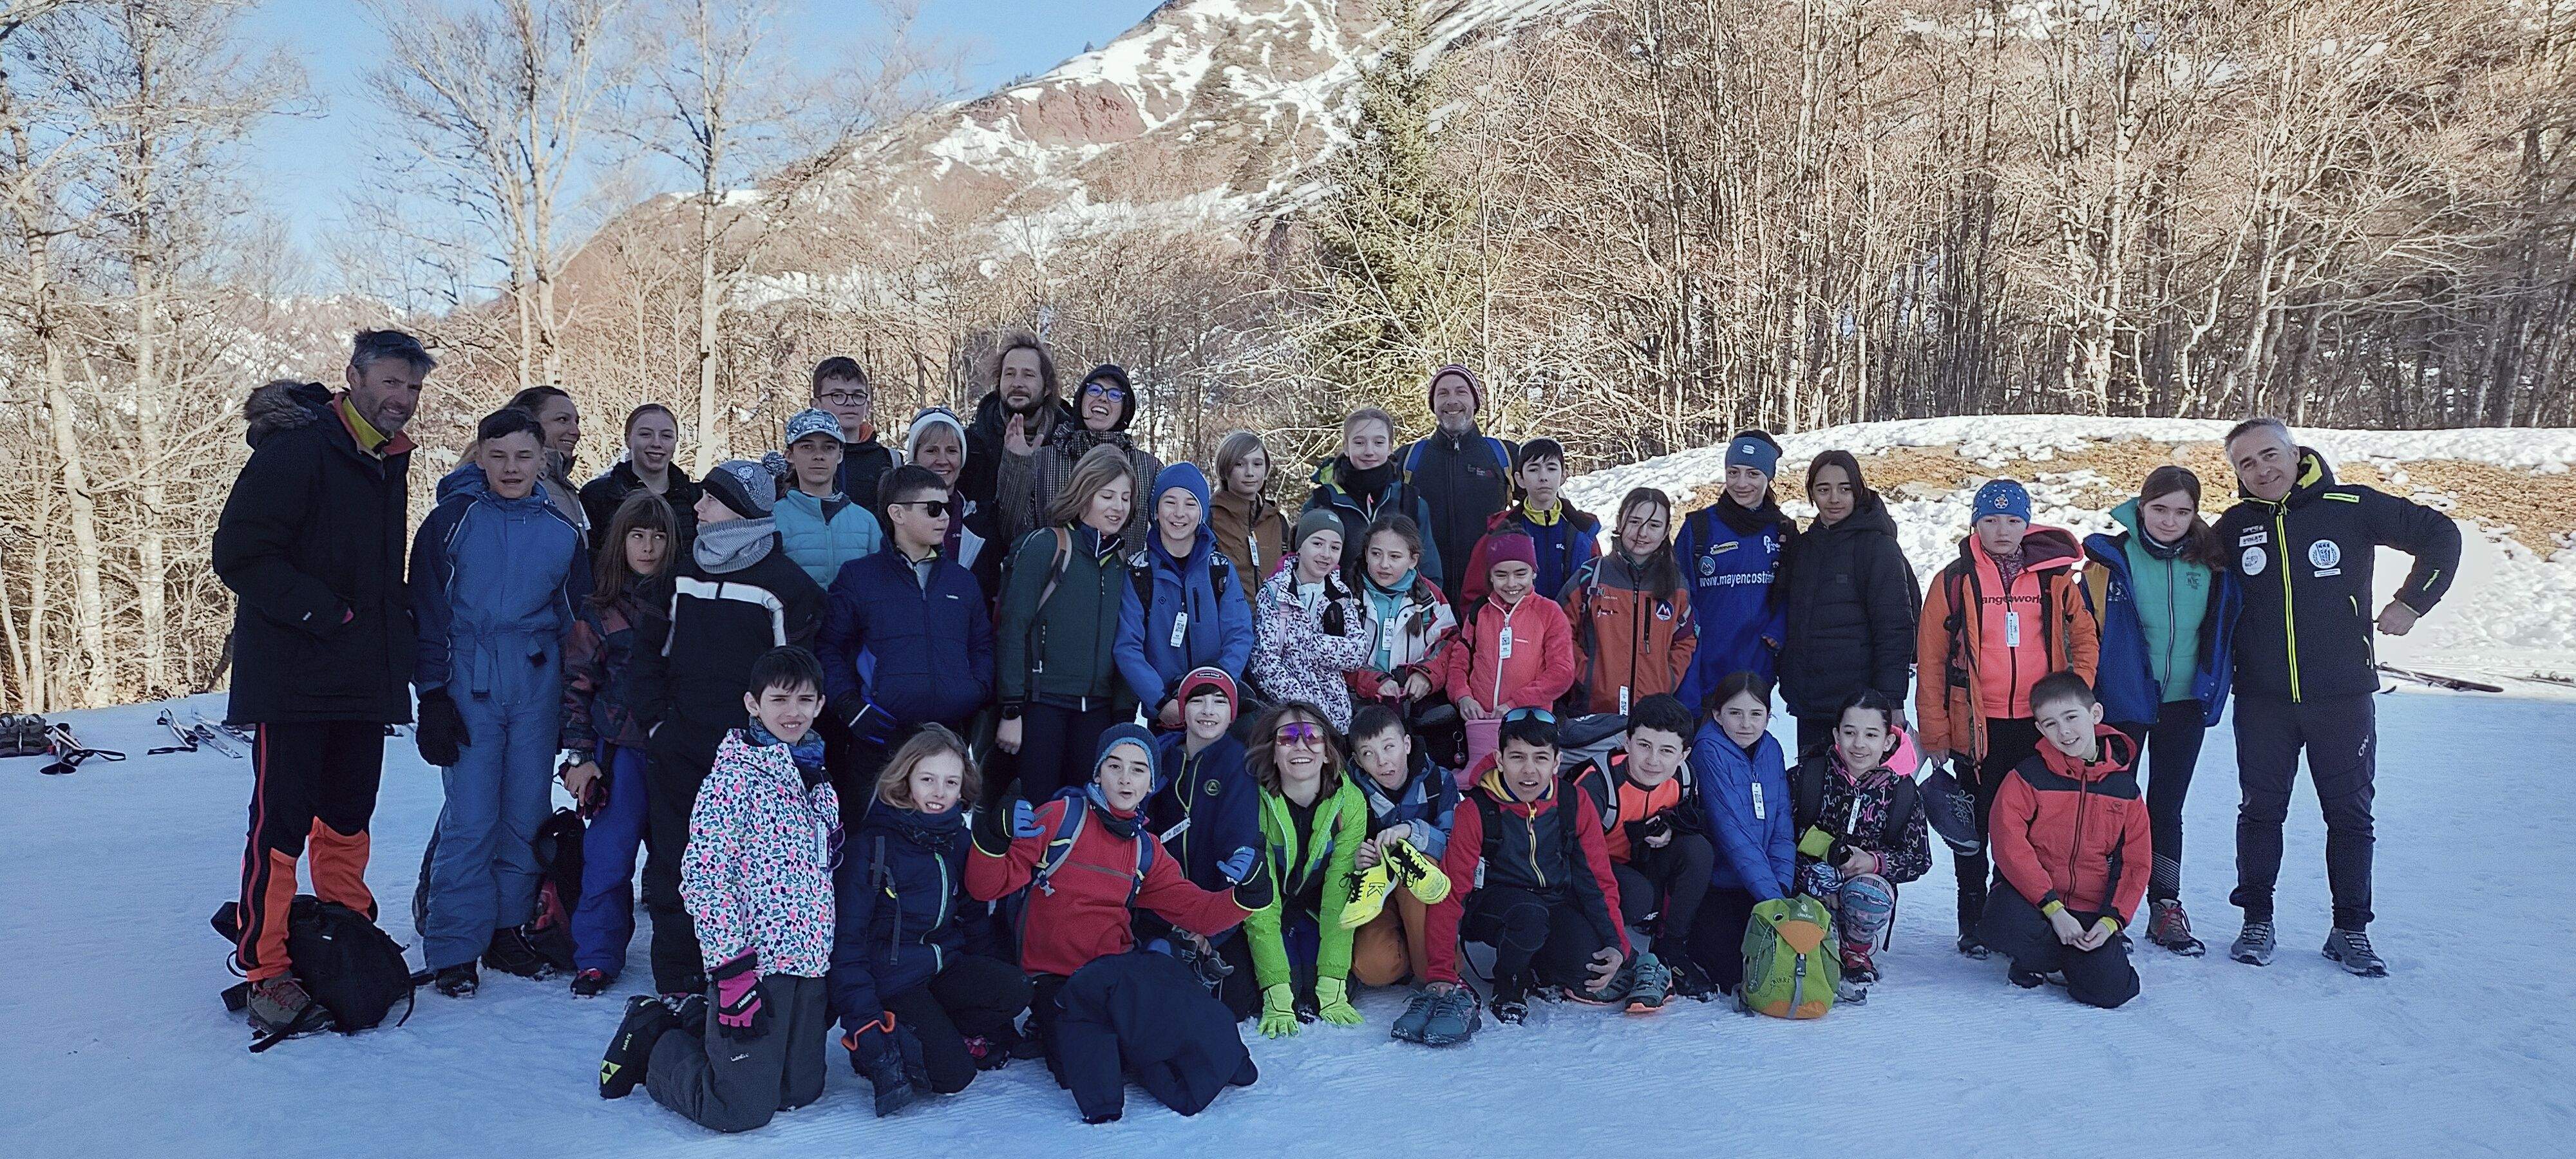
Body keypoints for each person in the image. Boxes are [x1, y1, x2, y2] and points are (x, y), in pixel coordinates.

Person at [213, 330, 430, 1035]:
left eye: (413, 389)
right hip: (297, 676)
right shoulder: (301, 450)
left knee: (348, 817)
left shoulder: (386, 459)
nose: (402, 399)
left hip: (362, 677)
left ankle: (345, 931)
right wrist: (324, 611)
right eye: (392, 383)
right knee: (280, 826)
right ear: (355, 378)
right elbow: (239, 553)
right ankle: (265, 968)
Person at [2214, 417, 2459, 975]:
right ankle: (2256, 921)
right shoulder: (2234, 527)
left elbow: (2441, 535)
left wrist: (2412, 603)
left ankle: (2349, 930)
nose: (2261, 470)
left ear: (2294, 452)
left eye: (2269, 455)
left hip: (2343, 696)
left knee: (2349, 815)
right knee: (2260, 811)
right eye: (2246, 464)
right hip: (2263, 700)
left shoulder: (2350, 504)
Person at [964, 724, 1275, 1120]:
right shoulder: (1059, 819)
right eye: (1115, 766)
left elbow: (1199, 912)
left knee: (1148, 1042)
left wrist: (1249, 894)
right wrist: (994, 837)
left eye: (1139, 769)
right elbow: (985, 887)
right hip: (1053, 976)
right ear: (1097, 773)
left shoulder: (1146, 849)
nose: (1126, 779)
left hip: (1115, 975)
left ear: (1151, 784)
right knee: (1075, 1065)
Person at [600, 648, 841, 1133]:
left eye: (804, 700)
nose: (792, 712)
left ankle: (697, 1019)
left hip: (808, 962)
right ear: (753, 704)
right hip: (755, 962)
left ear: (819, 705)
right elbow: (705, 877)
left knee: (799, 1093)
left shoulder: (818, 778)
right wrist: (732, 970)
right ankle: (656, 1041)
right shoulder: (734, 779)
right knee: (738, 1109)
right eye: (779, 699)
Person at [629, 458, 827, 998]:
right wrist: (655, 726)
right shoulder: (681, 572)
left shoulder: (785, 584)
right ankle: (678, 981)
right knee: (678, 864)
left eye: (710, 500)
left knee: (747, 871)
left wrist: (780, 747)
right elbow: (647, 653)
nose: (697, 508)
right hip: (681, 745)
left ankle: (744, 976)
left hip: (752, 761)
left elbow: (799, 676)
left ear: (738, 509)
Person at [410, 407, 591, 996]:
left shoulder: (563, 531)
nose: (511, 468)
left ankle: (507, 929)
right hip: (471, 677)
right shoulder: (450, 523)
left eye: (523, 456)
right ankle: (456, 946)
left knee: (525, 814)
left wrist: (577, 706)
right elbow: (428, 615)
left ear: (544, 461)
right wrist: (433, 695)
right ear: (480, 457)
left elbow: (578, 625)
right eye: (499, 455)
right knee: (471, 818)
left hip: (536, 679)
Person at [1917, 478, 2100, 958]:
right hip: (1978, 724)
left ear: (2027, 523)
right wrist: (1935, 728)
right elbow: (1932, 659)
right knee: (1973, 823)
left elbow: (2084, 638)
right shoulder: (1954, 581)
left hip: (2041, 725)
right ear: (1976, 523)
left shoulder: (2054, 578)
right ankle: (1971, 915)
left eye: (2014, 520)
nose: (2003, 530)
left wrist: (2072, 697)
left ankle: (2010, 911)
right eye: (1992, 520)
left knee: (2027, 825)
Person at [829, 726, 1032, 1116]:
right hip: (894, 982)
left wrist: (995, 1009)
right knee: (954, 1077)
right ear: (906, 780)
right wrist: (863, 1023)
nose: (939, 792)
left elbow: (974, 922)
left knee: (1016, 989)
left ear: (963, 789)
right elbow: (848, 943)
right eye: (928, 779)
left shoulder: (958, 840)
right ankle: (888, 1042)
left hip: (942, 969)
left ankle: (942, 1030)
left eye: (950, 782)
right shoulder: (872, 847)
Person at [2081, 466, 2239, 957]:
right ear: (2141, 507)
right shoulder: (2112, 560)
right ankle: (2104, 904)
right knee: (2114, 806)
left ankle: (2165, 905)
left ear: (2195, 514)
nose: (2170, 521)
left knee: (2166, 808)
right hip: (2124, 701)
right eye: (2160, 509)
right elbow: (2085, 630)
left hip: (2185, 703)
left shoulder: (2209, 562)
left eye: (2183, 511)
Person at [1398, 713, 1628, 1041]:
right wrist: (1441, 971)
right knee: (1529, 917)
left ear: (1557, 762)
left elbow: (1598, 878)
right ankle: (1511, 981)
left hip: (1554, 900)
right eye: (1518, 757)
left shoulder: (1574, 802)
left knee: (1587, 968)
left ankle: (1538, 964)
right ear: (1500, 759)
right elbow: (1451, 891)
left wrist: (1615, 942)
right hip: (1495, 905)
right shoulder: (1477, 808)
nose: (1529, 770)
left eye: (1541, 758)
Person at [819, 464, 995, 829]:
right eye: (932, 508)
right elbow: (830, 649)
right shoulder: (859, 577)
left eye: (946, 507)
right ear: (896, 513)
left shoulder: (962, 581)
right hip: (881, 740)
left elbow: (982, 646)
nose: (945, 517)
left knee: (940, 843)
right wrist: (851, 707)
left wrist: (973, 693)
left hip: (948, 737)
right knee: (869, 845)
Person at [560, 491, 676, 997]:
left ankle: (686, 958)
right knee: (608, 860)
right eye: (637, 536)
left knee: (681, 862)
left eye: (658, 536)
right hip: (617, 754)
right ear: (619, 542)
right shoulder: (600, 612)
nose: (647, 547)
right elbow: (576, 688)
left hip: (673, 755)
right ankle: (597, 956)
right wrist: (581, 757)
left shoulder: (687, 601)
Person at [1978, 672, 2149, 1009]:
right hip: (2036, 903)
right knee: (2000, 922)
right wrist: (2053, 909)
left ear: (2095, 714)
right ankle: (2045, 958)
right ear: (2040, 730)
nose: (2065, 732)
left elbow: (2136, 862)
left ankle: (2071, 957)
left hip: (2090, 909)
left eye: (2072, 718)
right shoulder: (2028, 777)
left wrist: (2112, 920)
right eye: (2051, 724)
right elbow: (2009, 845)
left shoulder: (2124, 790)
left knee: (2113, 991)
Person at [994, 444, 1139, 806]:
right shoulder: (1050, 545)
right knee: (1038, 812)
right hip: (1043, 707)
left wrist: (1122, 716)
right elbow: (1013, 628)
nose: (1118, 506)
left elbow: (1126, 641)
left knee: (1086, 818)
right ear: (1084, 493)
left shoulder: (1121, 563)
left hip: (1098, 713)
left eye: (1125, 497)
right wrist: (1012, 709)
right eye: (1107, 495)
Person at [1566, 693, 1710, 1009]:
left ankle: (1670, 948)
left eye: (1667, 750)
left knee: (1698, 851)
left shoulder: (1684, 778)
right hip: (1590, 874)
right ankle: (1621, 946)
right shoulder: (1598, 784)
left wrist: (1672, 826)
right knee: (1637, 896)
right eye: (1644, 745)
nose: (1653, 760)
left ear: (1684, 754)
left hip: (1640, 862)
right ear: (1627, 740)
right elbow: (1573, 857)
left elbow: (1692, 817)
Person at [1240, 702, 1371, 1037]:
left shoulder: (1350, 804)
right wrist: (1276, 993)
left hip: (1315, 911)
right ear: (1273, 752)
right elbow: (1260, 900)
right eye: (1288, 737)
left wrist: (1334, 987)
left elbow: (1338, 897)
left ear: (1327, 752)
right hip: (1273, 912)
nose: (1301, 745)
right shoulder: (1253, 804)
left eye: (1313, 736)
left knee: (1316, 991)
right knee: (1277, 992)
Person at [1789, 690, 1932, 991]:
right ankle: (1816, 943)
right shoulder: (1807, 776)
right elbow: (1778, 837)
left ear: (1888, 741)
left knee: (1870, 894)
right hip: (1808, 881)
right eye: (1850, 733)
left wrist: (1874, 862)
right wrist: (1809, 875)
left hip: (1864, 885)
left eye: (1871, 735)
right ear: (1836, 734)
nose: (1860, 744)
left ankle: (1856, 949)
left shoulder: (1903, 793)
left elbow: (1919, 858)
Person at [1777, 449, 1917, 755]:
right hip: (1813, 703)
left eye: (1845, 488)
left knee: (1863, 796)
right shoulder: (1805, 546)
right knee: (1812, 793)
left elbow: (1895, 627)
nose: (1834, 498)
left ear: (1859, 490)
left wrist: (1892, 700)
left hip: (1861, 709)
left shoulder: (1877, 546)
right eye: (1823, 489)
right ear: (1812, 494)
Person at [1144, 668, 1265, 1015]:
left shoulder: (1239, 766)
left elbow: (1238, 851)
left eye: (1219, 702)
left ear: (1232, 714)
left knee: (1235, 1002)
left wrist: (1210, 932)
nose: (1208, 710)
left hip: (1217, 912)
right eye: (1197, 701)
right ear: (1182, 709)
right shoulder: (1161, 759)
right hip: (1160, 906)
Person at [1116, 463, 1255, 728]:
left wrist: (1218, 689)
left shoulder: (1220, 570)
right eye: (1170, 502)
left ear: (1202, 513)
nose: (1179, 513)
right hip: (1165, 708)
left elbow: (1239, 633)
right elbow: (1127, 646)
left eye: (1191, 504)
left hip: (1215, 706)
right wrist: (1159, 702)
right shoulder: (1138, 572)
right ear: (1155, 510)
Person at [1687, 672, 1795, 997]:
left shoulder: (1771, 750)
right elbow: (1732, 832)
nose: (1746, 724)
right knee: (1736, 972)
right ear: (1718, 714)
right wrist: (1774, 903)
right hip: (1719, 881)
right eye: (1735, 713)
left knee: (1780, 960)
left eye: (1756, 714)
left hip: (1760, 883)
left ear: (1768, 716)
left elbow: (1781, 825)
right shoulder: (1709, 750)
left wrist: (1783, 890)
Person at [1674, 431, 1796, 710]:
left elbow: (1793, 591)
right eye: (1733, 472)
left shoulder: (1783, 531)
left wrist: (1777, 633)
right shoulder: (1700, 527)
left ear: (1769, 477)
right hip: (1702, 670)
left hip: (1756, 672)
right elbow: (1678, 594)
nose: (1742, 483)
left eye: (1753, 474)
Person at [1344, 704, 1457, 991]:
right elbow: (1339, 846)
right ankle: (1407, 949)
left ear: (1406, 744)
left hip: (1426, 892)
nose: (1383, 762)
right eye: (1369, 754)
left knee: (1417, 867)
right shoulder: (1351, 792)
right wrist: (1358, 856)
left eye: (1389, 747)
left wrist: (1411, 831)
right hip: (1379, 893)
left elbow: (1454, 843)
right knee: (1373, 969)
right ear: (1357, 760)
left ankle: (1434, 971)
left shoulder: (1438, 781)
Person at [1441, 531, 1577, 770]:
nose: (1511, 583)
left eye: (1521, 573)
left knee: (1523, 785)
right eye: (1501, 575)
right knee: (1482, 782)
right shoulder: (1480, 612)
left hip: (1530, 726)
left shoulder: (1550, 613)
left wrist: (1517, 703)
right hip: (1479, 726)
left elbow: (1561, 673)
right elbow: (1459, 661)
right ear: (1490, 577)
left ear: (1534, 572)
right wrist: (1462, 696)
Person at [1560, 487, 1696, 717]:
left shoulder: (1676, 585)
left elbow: (1685, 640)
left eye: (1654, 525)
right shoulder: (1591, 576)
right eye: (1634, 522)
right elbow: (1559, 632)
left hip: (1651, 719)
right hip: (1594, 716)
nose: (1642, 533)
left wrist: (1667, 680)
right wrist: (1587, 676)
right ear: (1620, 522)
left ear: (1666, 532)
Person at [1017, 363, 1164, 556]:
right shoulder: (1044, 459)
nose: (1103, 397)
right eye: (1094, 389)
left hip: (1119, 582)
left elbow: (1172, 531)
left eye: (1115, 395)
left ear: (1125, 410)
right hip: (1054, 580)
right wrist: (1017, 463)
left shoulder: (1148, 468)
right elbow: (1016, 530)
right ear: (1081, 400)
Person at [1247, 509, 1373, 731]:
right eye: (1317, 544)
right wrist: (1307, 707)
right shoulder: (1275, 592)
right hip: (1288, 716)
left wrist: (1309, 644)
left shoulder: (1341, 594)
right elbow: (1264, 662)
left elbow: (1358, 652)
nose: (1326, 554)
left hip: (1338, 719)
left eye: (1335, 548)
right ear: (1300, 544)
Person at [1398, 364, 1514, 598]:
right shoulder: (1409, 458)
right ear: (1434, 406)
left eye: (1461, 392)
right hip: (1425, 596)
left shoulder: (1503, 454)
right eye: (1443, 394)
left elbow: (1544, 500)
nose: (1452, 401)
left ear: (1475, 402)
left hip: (1490, 595)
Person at [965, 329, 1077, 543]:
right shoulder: (974, 445)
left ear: (1047, 388)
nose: (1017, 383)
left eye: (1028, 375)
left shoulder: (1070, 446)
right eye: (1010, 374)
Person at [1457, 438, 1598, 606]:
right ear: (1520, 479)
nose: (1543, 477)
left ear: (1564, 476)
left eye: (1551, 468)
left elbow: (1600, 591)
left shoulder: (1583, 532)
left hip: (1572, 630)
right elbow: (1474, 598)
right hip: (1517, 630)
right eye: (1533, 469)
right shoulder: (1500, 533)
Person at [1305, 406, 1443, 578]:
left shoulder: (1411, 503)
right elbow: (1303, 565)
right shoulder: (1323, 500)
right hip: (1336, 603)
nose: (1369, 451)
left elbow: (1429, 572)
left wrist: (1420, 604)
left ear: (1390, 447)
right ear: (1346, 447)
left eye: (1378, 442)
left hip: (1399, 603)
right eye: (1359, 442)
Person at [1345, 514, 1457, 721]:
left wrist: (1426, 674)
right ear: (1366, 553)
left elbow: (1449, 642)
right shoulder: (1347, 594)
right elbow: (1336, 655)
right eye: (1376, 554)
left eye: (1395, 557)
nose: (1384, 564)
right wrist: (1375, 682)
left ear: (1412, 560)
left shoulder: (1429, 596)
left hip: (1412, 702)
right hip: (1356, 700)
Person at [774, 407, 885, 588]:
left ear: (840, 455)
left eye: (829, 448)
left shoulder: (866, 523)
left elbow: (879, 586)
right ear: (790, 456)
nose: (819, 456)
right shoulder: (773, 520)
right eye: (807, 447)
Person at [903, 406, 1002, 597]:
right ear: (914, 457)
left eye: (951, 451)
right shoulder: (895, 520)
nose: (942, 460)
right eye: (931, 451)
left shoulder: (981, 523)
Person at [580, 402, 701, 552]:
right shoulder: (597, 495)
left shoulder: (698, 499)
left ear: (676, 442)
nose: (657, 443)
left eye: (666, 436)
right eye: (645, 434)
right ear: (628, 440)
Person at [1208, 429, 1291, 608]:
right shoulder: (1209, 518)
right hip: (1225, 623)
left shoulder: (1277, 521)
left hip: (1274, 625)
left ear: (1266, 469)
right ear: (1225, 469)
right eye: (1240, 464)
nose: (1250, 472)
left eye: (1257, 464)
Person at [505, 385, 592, 547]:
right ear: (530, 423)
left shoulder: (562, 485)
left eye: (577, 422)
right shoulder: (514, 482)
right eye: (563, 420)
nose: (576, 431)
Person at [810, 357, 896, 508]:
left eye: (857, 396)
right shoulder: (801, 461)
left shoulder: (889, 461)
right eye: (837, 395)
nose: (850, 402)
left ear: (867, 405)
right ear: (816, 405)